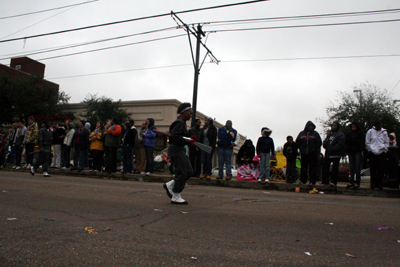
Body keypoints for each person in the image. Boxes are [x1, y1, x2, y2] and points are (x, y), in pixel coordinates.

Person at [163, 103, 194, 205]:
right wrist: (188, 140)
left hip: (179, 150)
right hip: (176, 150)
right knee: (182, 172)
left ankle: (170, 184)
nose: (191, 115)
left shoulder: (182, 122)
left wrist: (189, 137)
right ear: (184, 112)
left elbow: (180, 136)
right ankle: (176, 196)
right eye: (190, 113)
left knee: (189, 171)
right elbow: (174, 137)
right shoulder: (179, 122)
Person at [296, 121, 322, 185]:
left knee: (312, 168)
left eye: (312, 126)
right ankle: (303, 180)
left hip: (313, 154)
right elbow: (297, 142)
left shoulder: (315, 134)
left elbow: (319, 142)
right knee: (303, 167)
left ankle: (312, 181)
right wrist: (301, 149)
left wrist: (314, 149)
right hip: (304, 153)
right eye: (310, 126)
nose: (311, 127)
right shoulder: (302, 133)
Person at [365, 120, 389, 190]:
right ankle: (373, 183)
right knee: (373, 169)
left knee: (381, 169)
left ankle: (380, 183)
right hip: (372, 152)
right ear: (375, 126)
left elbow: (386, 142)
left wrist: (385, 150)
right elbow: (367, 142)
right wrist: (370, 150)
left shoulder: (384, 132)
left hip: (381, 153)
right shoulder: (370, 132)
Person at [321, 121, 346, 187]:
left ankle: (333, 182)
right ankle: (325, 181)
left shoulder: (340, 134)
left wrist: (332, 149)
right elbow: (326, 141)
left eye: (335, 125)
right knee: (325, 167)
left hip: (336, 154)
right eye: (332, 125)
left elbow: (340, 144)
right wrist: (325, 145)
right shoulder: (330, 134)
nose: (333, 127)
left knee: (335, 169)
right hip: (328, 154)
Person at [345, 122, 364, 189]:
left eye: (354, 127)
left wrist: (352, 141)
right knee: (351, 168)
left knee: (357, 168)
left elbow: (358, 141)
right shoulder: (349, 134)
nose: (353, 128)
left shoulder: (360, 133)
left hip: (357, 151)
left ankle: (357, 182)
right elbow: (347, 141)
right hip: (351, 151)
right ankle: (351, 182)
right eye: (352, 127)